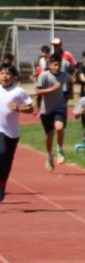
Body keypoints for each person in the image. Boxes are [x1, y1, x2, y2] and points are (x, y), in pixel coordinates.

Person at [0, 63, 35, 202]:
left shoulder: (18, 91)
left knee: (7, 161)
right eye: (2, 73)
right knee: (1, 152)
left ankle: (2, 186)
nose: (5, 76)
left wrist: (18, 108)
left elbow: (31, 108)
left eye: (8, 73)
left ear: (14, 77)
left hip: (12, 133)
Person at [33, 54, 69, 171]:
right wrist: (52, 89)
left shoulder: (64, 75)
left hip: (59, 107)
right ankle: (49, 155)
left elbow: (71, 81)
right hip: (46, 110)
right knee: (49, 135)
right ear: (50, 65)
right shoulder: (44, 76)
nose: (57, 67)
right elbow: (37, 91)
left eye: (59, 64)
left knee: (59, 128)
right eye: (55, 64)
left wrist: (70, 93)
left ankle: (59, 150)